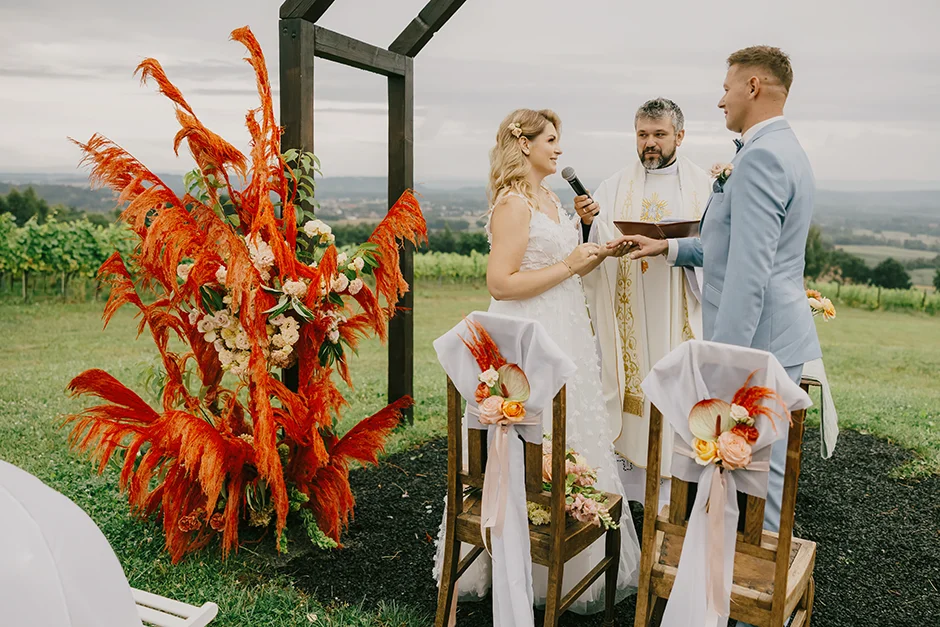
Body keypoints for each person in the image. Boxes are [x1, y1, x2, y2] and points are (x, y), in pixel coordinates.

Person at [432, 108, 640, 616]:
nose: (559, 149)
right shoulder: (512, 202)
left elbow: (565, 269)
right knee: (529, 441)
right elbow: (500, 283)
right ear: (523, 144)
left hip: (566, 329)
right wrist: (569, 264)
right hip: (527, 340)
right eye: (551, 139)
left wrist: (591, 242)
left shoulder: (550, 198)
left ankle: (566, 558)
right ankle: (514, 557)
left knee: (573, 434)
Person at [617, 46, 822, 535]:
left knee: (758, 478)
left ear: (752, 87)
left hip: (758, 344)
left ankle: (757, 606)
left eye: (727, 87)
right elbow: (726, 249)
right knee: (751, 474)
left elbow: (750, 272)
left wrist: (724, 361)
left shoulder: (763, 157)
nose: (721, 99)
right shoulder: (779, 147)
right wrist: (667, 248)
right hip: (774, 334)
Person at [576, 98, 712, 505]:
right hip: (628, 308)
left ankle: (680, 490)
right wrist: (587, 224)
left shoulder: (705, 187)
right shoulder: (613, 186)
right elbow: (593, 244)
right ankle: (631, 492)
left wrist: (673, 246)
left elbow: (718, 247)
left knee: (678, 388)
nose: (649, 143)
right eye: (642, 135)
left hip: (679, 305)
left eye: (659, 134)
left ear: (680, 136)